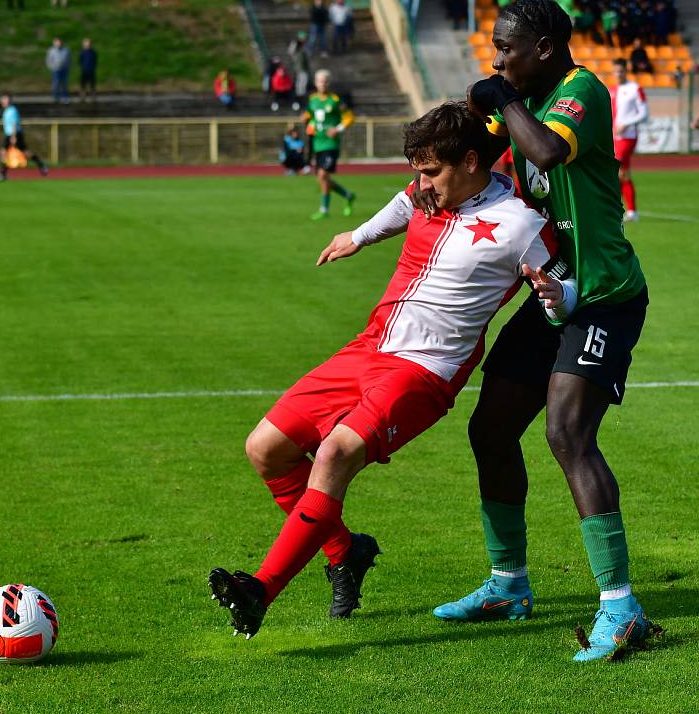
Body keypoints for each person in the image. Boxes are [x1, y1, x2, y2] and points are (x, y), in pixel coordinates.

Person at [208, 101, 574, 640]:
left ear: (472, 161)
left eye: (430, 170)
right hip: (369, 348)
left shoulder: (521, 224)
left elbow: (563, 282)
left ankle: (260, 590)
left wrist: (555, 297)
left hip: (425, 371)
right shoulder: (428, 192)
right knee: (265, 449)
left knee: (333, 452)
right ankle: (345, 552)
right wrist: (357, 238)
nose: (420, 183)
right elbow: (403, 204)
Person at [431, 0, 654, 663]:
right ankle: (507, 585)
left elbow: (546, 152)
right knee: (491, 425)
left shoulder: (580, 89)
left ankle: (622, 608)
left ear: (546, 50)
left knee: (567, 432)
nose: (498, 57)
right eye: (495, 46)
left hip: (606, 297)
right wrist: (445, 153)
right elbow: (483, 133)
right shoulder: (514, 94)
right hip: (553, 293)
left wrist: (500, 96)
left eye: (509, 47)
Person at [304, 69, 355, 220]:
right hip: (317, 143)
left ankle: (324, 209)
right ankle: (347, 195)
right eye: (320, 81)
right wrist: (306, 119)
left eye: (325, 81)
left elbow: (350, 117)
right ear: (316, 83)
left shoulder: (335, 100)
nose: (323, 84)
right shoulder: (312, 99)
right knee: (322, 178)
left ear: (329, 83)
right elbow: (310, 116)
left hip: (330, 144)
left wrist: (337, 129)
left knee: (322, 174)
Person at [609, 58, 648, 223]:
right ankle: (632, 211)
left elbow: (644, 114)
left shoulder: (635, 89)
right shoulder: (611, 90)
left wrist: (627, 124)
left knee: (614, 169)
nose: (618, 74)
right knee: (623, 173)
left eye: (621, 71)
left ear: (626, 70)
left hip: (628, 136)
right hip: (614, 137)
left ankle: (613, 208)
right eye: (616, 71)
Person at [0, 94, 48, 182]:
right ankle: (3, 174)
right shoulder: (6, 111)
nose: (3, 102)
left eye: (4, 100)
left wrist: (13, 137)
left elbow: (14, 124)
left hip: (15, 134)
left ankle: (41, 165)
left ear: (9, 101)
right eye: (2, 100)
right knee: (3, 152)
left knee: (25, 153)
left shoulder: (12, 111)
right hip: (9, 135)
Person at [288, 32, 311, 104]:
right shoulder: (295, 44)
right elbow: (291, 52)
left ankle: (301, 92)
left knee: (304, 78)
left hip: (303, 65)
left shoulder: (304, 45)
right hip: (299, 65)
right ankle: (300, 93)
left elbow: (307, 54)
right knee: (301, 78)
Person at [46, 38, 71, 104]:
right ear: (54, 43)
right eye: (57, 42)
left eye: (59, 42)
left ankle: (65, 98)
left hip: (64, 70)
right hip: (55, 70)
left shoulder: (66, 50)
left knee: (64, 84)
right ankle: (56, 98)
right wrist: (52, 67)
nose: (58, 43)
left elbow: (69, 60)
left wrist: (68, 68)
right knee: (56, 84)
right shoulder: (51, 51)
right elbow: (48, 60)